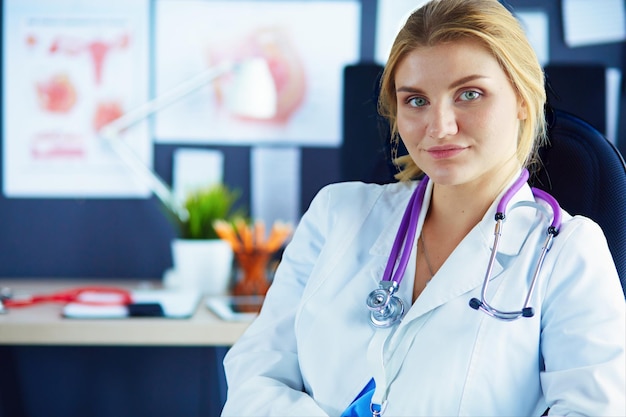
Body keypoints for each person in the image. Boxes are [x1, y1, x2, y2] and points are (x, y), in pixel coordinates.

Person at [221, 0, 626, 415]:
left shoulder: (568, 252)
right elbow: (256, 375)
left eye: (470, 94)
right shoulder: (335, 215)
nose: (440, 126)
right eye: (416, 100)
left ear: (523, 98)